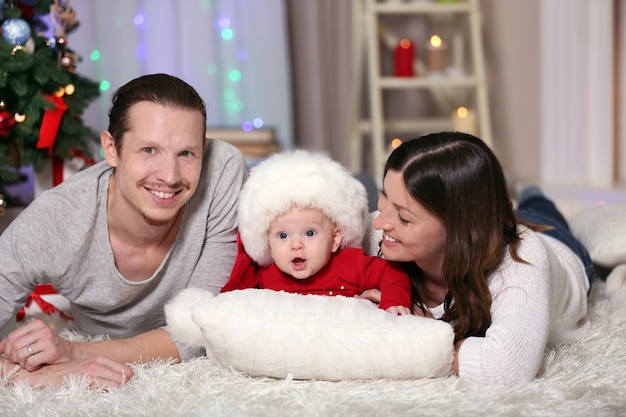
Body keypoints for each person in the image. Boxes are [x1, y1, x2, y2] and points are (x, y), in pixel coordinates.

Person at [0, 73, 248, 387]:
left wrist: (74, 352)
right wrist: (43, 377)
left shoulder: (221, 170)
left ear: (203, 150)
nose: (170, 176)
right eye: (149, 150)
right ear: (111, 149)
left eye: (186, 153)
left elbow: (200, 328)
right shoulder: (55, 219)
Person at [364, 131, 593, 387]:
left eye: (404, 218)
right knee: (513, 210)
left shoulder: (522, 260)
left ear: (458, 229)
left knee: (541, 209)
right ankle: (509, 195)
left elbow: (507, 370)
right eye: (384, 197)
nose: (379, 222)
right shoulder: (381, 232)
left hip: (557, 244)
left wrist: (429, 332)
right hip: (488, 219)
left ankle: (531, 191)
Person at [221, 150, 412, 315]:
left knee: (364, 183)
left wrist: (394, 302)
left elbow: (391, 273)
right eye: (283, 236)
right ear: (268, 244)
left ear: (335, 239)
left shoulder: (350, 264)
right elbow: (237, 301)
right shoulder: (265, 276)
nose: (296, 245)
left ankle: (365, 180)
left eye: (310, 233)